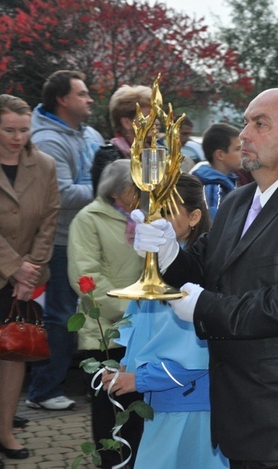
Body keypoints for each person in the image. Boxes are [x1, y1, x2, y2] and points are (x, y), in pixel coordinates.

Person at [132, 88, 278, 468]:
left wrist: (205, 306)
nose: (244, 135)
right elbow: (204, 269)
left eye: (260, 123)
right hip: (238, 401)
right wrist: (167, 253)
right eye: (246, 122)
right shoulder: (238, 199)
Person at [102, 172, 227, 469]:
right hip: (165, 400)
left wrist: (137, 379)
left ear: (195, 216)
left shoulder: (194, 275)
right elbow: (143, 328)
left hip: (190, 402)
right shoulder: (156, 268)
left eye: (167, 212)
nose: (155, 221)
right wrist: (124, 367)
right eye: (151, 212)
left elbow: (195, 355)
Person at [27, 70, 105, 412]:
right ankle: (44, 390)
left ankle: (92, 380)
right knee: (59, 316)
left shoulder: (90, 133)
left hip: (87, 234)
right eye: (83, 94)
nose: (90, 99)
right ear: (62, 99)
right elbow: (61, 192)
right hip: (59, 240)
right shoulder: (46, 140)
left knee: (92, 309)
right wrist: (106, 189)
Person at [67, 159, 144, 468]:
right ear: (118, 190)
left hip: (143, 327)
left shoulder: (144, 216)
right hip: (106, 330)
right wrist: (131, 311)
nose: (140, 192)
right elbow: (86, 277)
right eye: (134, 187)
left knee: (137, 407)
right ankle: (112, 463)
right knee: (109, 411)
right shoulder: (88, 219)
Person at [0, 95, 59, 465]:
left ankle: (4, 430)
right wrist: (14, 266)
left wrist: (30, 269)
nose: (17, 137)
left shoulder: (45, 165)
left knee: (14, 354)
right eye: (8, 130)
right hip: (11, 270)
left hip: (27, 280)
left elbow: (49, 219)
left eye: (24, 130)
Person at [191, 122, 242, 220]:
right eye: (237, 149)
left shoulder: (228, 181)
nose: (243, 152)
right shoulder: (213, 189)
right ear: (220, 155)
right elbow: (214, 227)